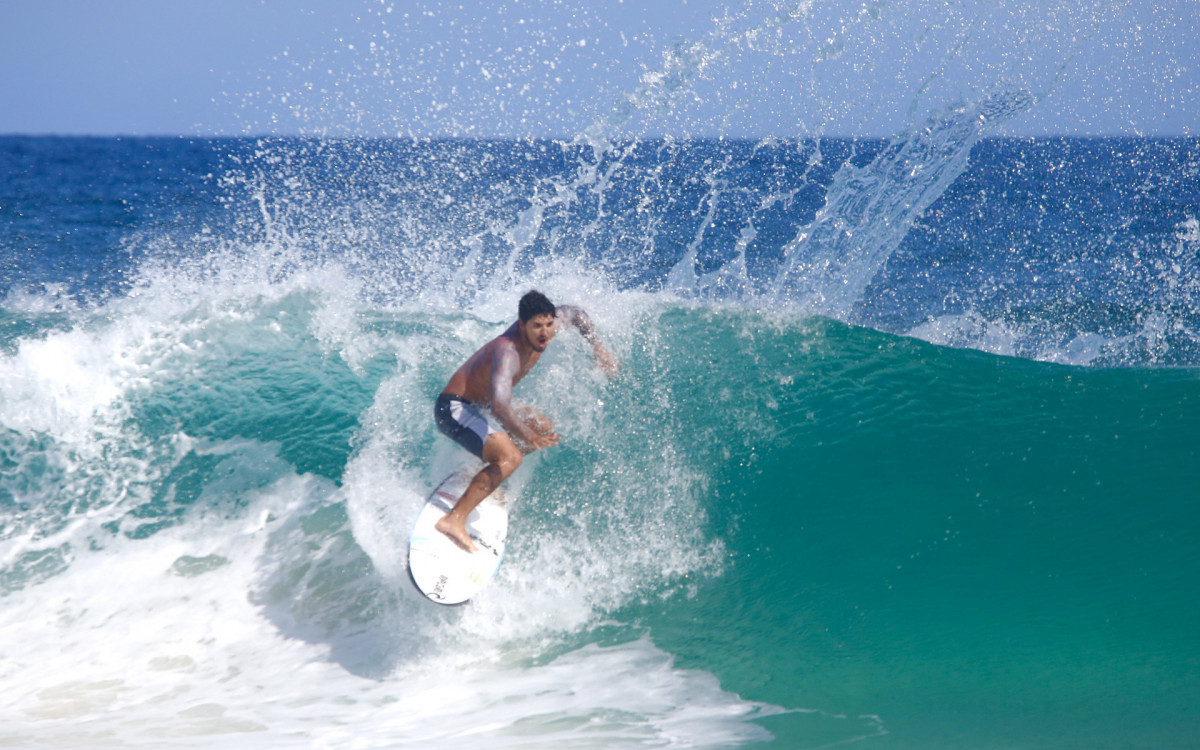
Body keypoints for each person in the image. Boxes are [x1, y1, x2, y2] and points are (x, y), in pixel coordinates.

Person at [432, 290, 618, 551]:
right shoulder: (507, 352)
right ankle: (453, 520)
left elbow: (576, 315)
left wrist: (598, 346)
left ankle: (477, 475)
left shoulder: (549, 327)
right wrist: (526, 436)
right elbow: (500, 406)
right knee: (512, 457)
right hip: (455, 408)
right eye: (536, 327)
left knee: (544, 428)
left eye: (549, 324)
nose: (544, 333)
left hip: (481, 406)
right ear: (522, 325)